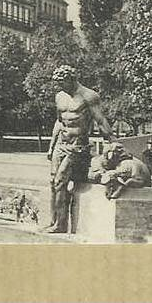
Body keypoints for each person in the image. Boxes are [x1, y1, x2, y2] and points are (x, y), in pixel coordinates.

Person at [43, 64, 115, 234]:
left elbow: (100, 120)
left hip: (78, 146)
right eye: (58, 83)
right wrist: (51, 146)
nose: (59, 87)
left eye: (62, 83)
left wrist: (111, 140)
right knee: (53, 182)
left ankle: (61, 225)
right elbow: (59, 122)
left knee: (60, 180)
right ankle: (54, 221)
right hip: (61, 144)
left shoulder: (89, 96)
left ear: (71, 79)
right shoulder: (60, 96)